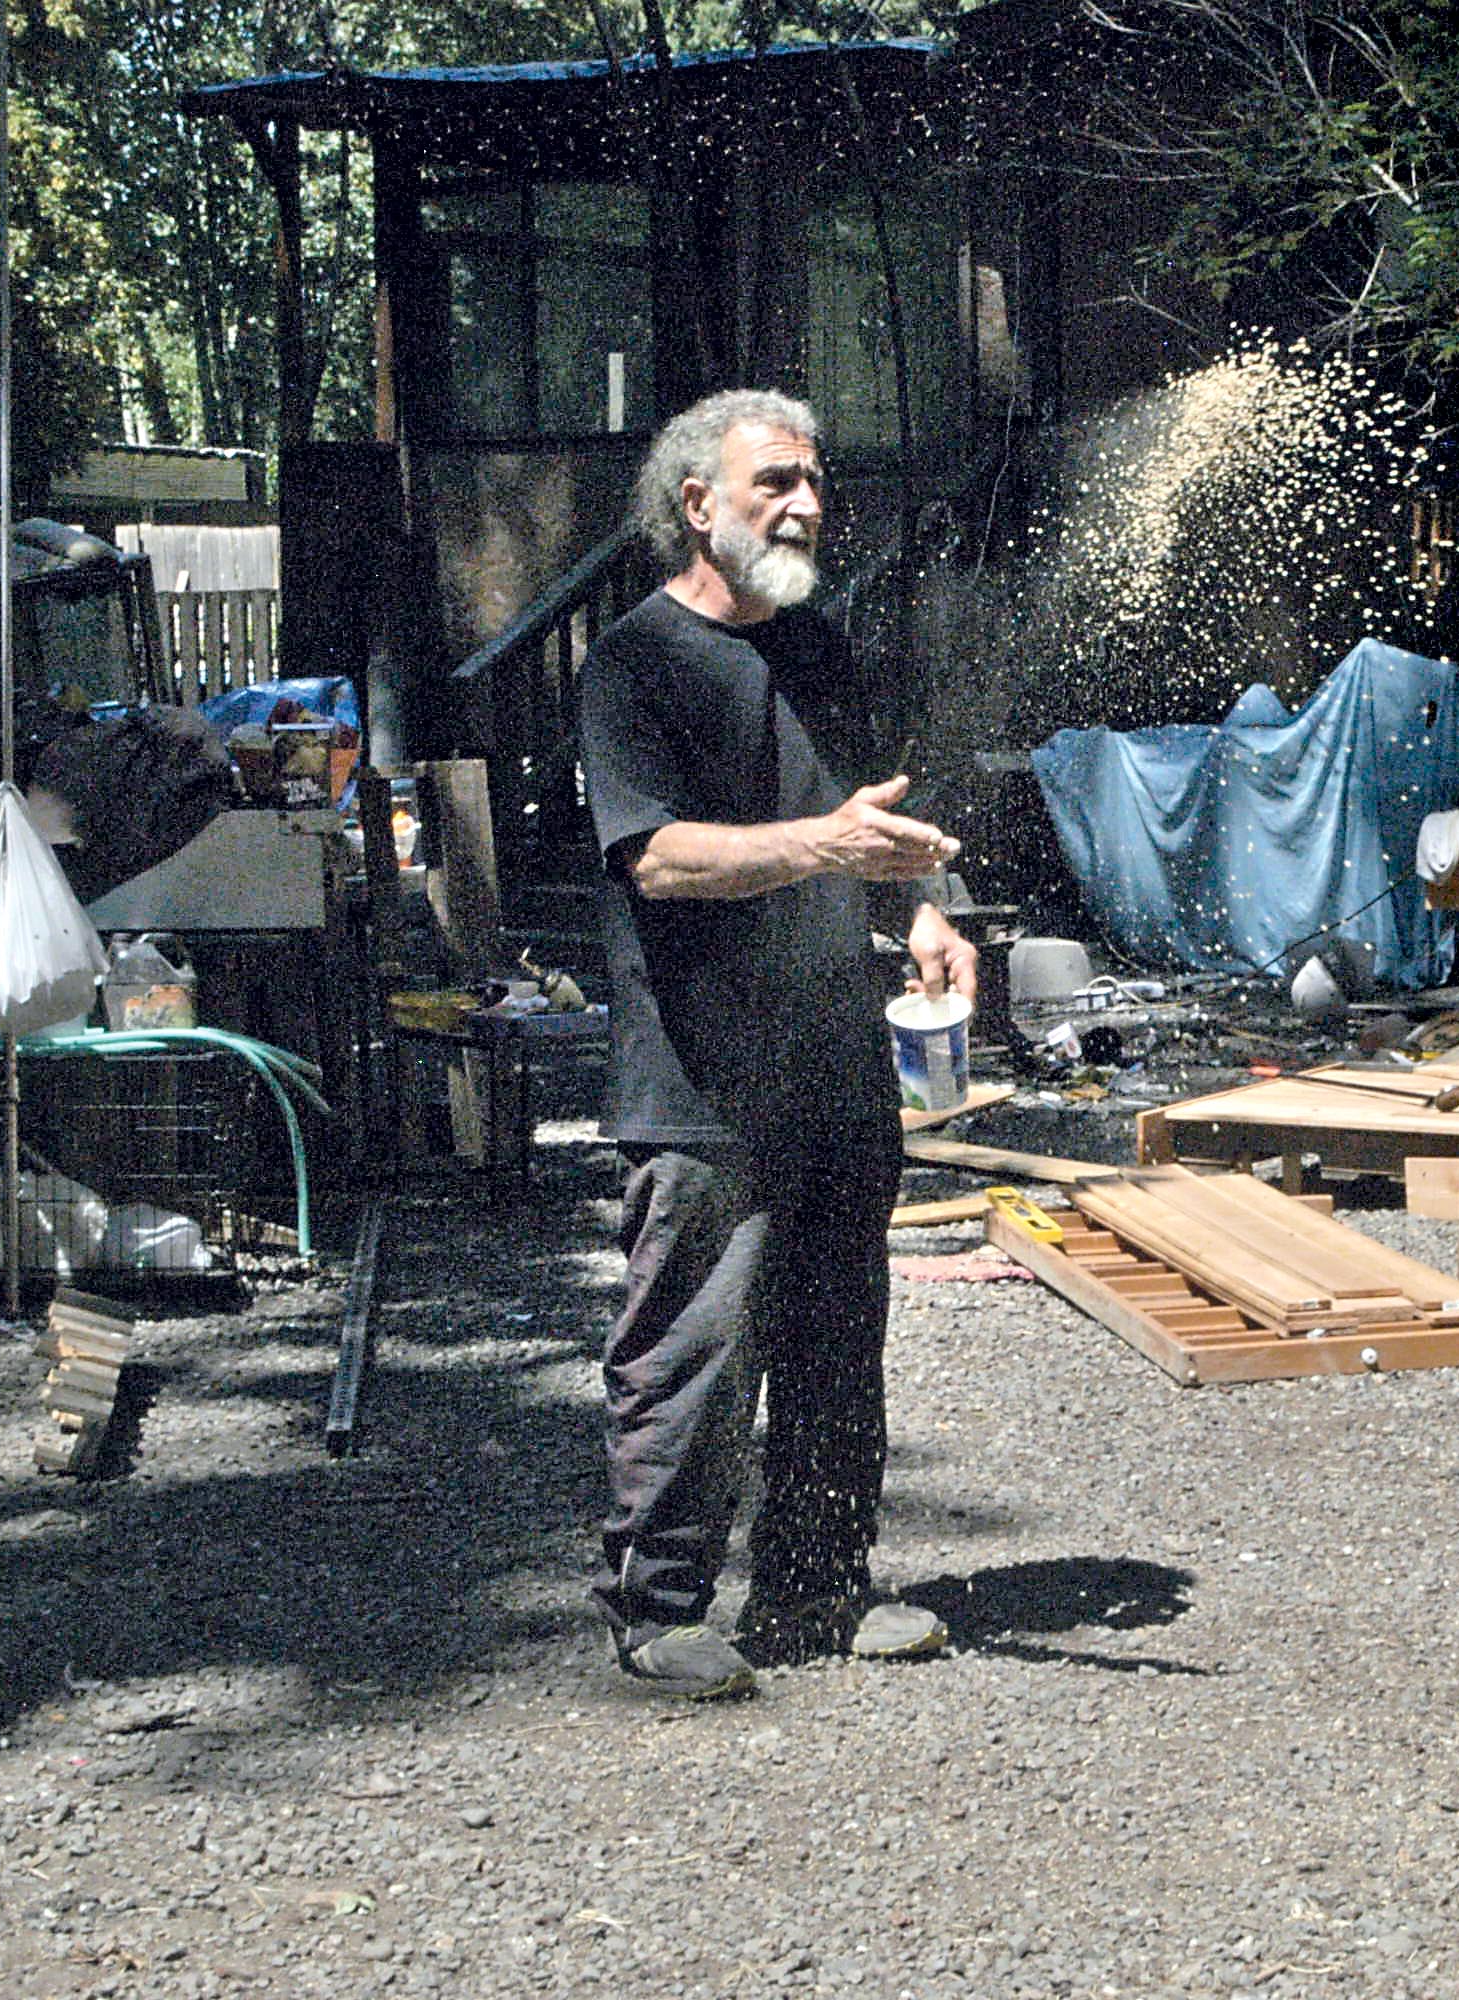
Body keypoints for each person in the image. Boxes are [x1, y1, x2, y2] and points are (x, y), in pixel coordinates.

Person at [575, 388, 977, 1699]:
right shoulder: (636, 663)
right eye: (776, 484)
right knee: (694, 1345)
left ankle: (816, 1589)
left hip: (834, 1062)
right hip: (700, 1076)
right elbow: (657, 859)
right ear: (698, 504)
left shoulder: (820, 650)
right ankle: (657, 1609)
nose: (806, 505)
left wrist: (925, 912)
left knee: (834, 1334)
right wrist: (825, 849)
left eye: (814, 483)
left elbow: (871, 820)